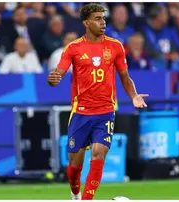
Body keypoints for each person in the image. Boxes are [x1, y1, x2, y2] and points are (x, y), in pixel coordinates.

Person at [47, 3, 148, 200]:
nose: (103, 23)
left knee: (98, 154)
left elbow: (125, 78)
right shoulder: (74, 48)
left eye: (103, 18)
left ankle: (87, 199)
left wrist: (134, 96)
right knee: (74, 168)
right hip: (81, 113)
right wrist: (54, 78)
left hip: (105, 112)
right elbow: (59, 72)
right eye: (97, 19)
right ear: (86, 23)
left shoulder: (115, 46)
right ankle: (75, 194)